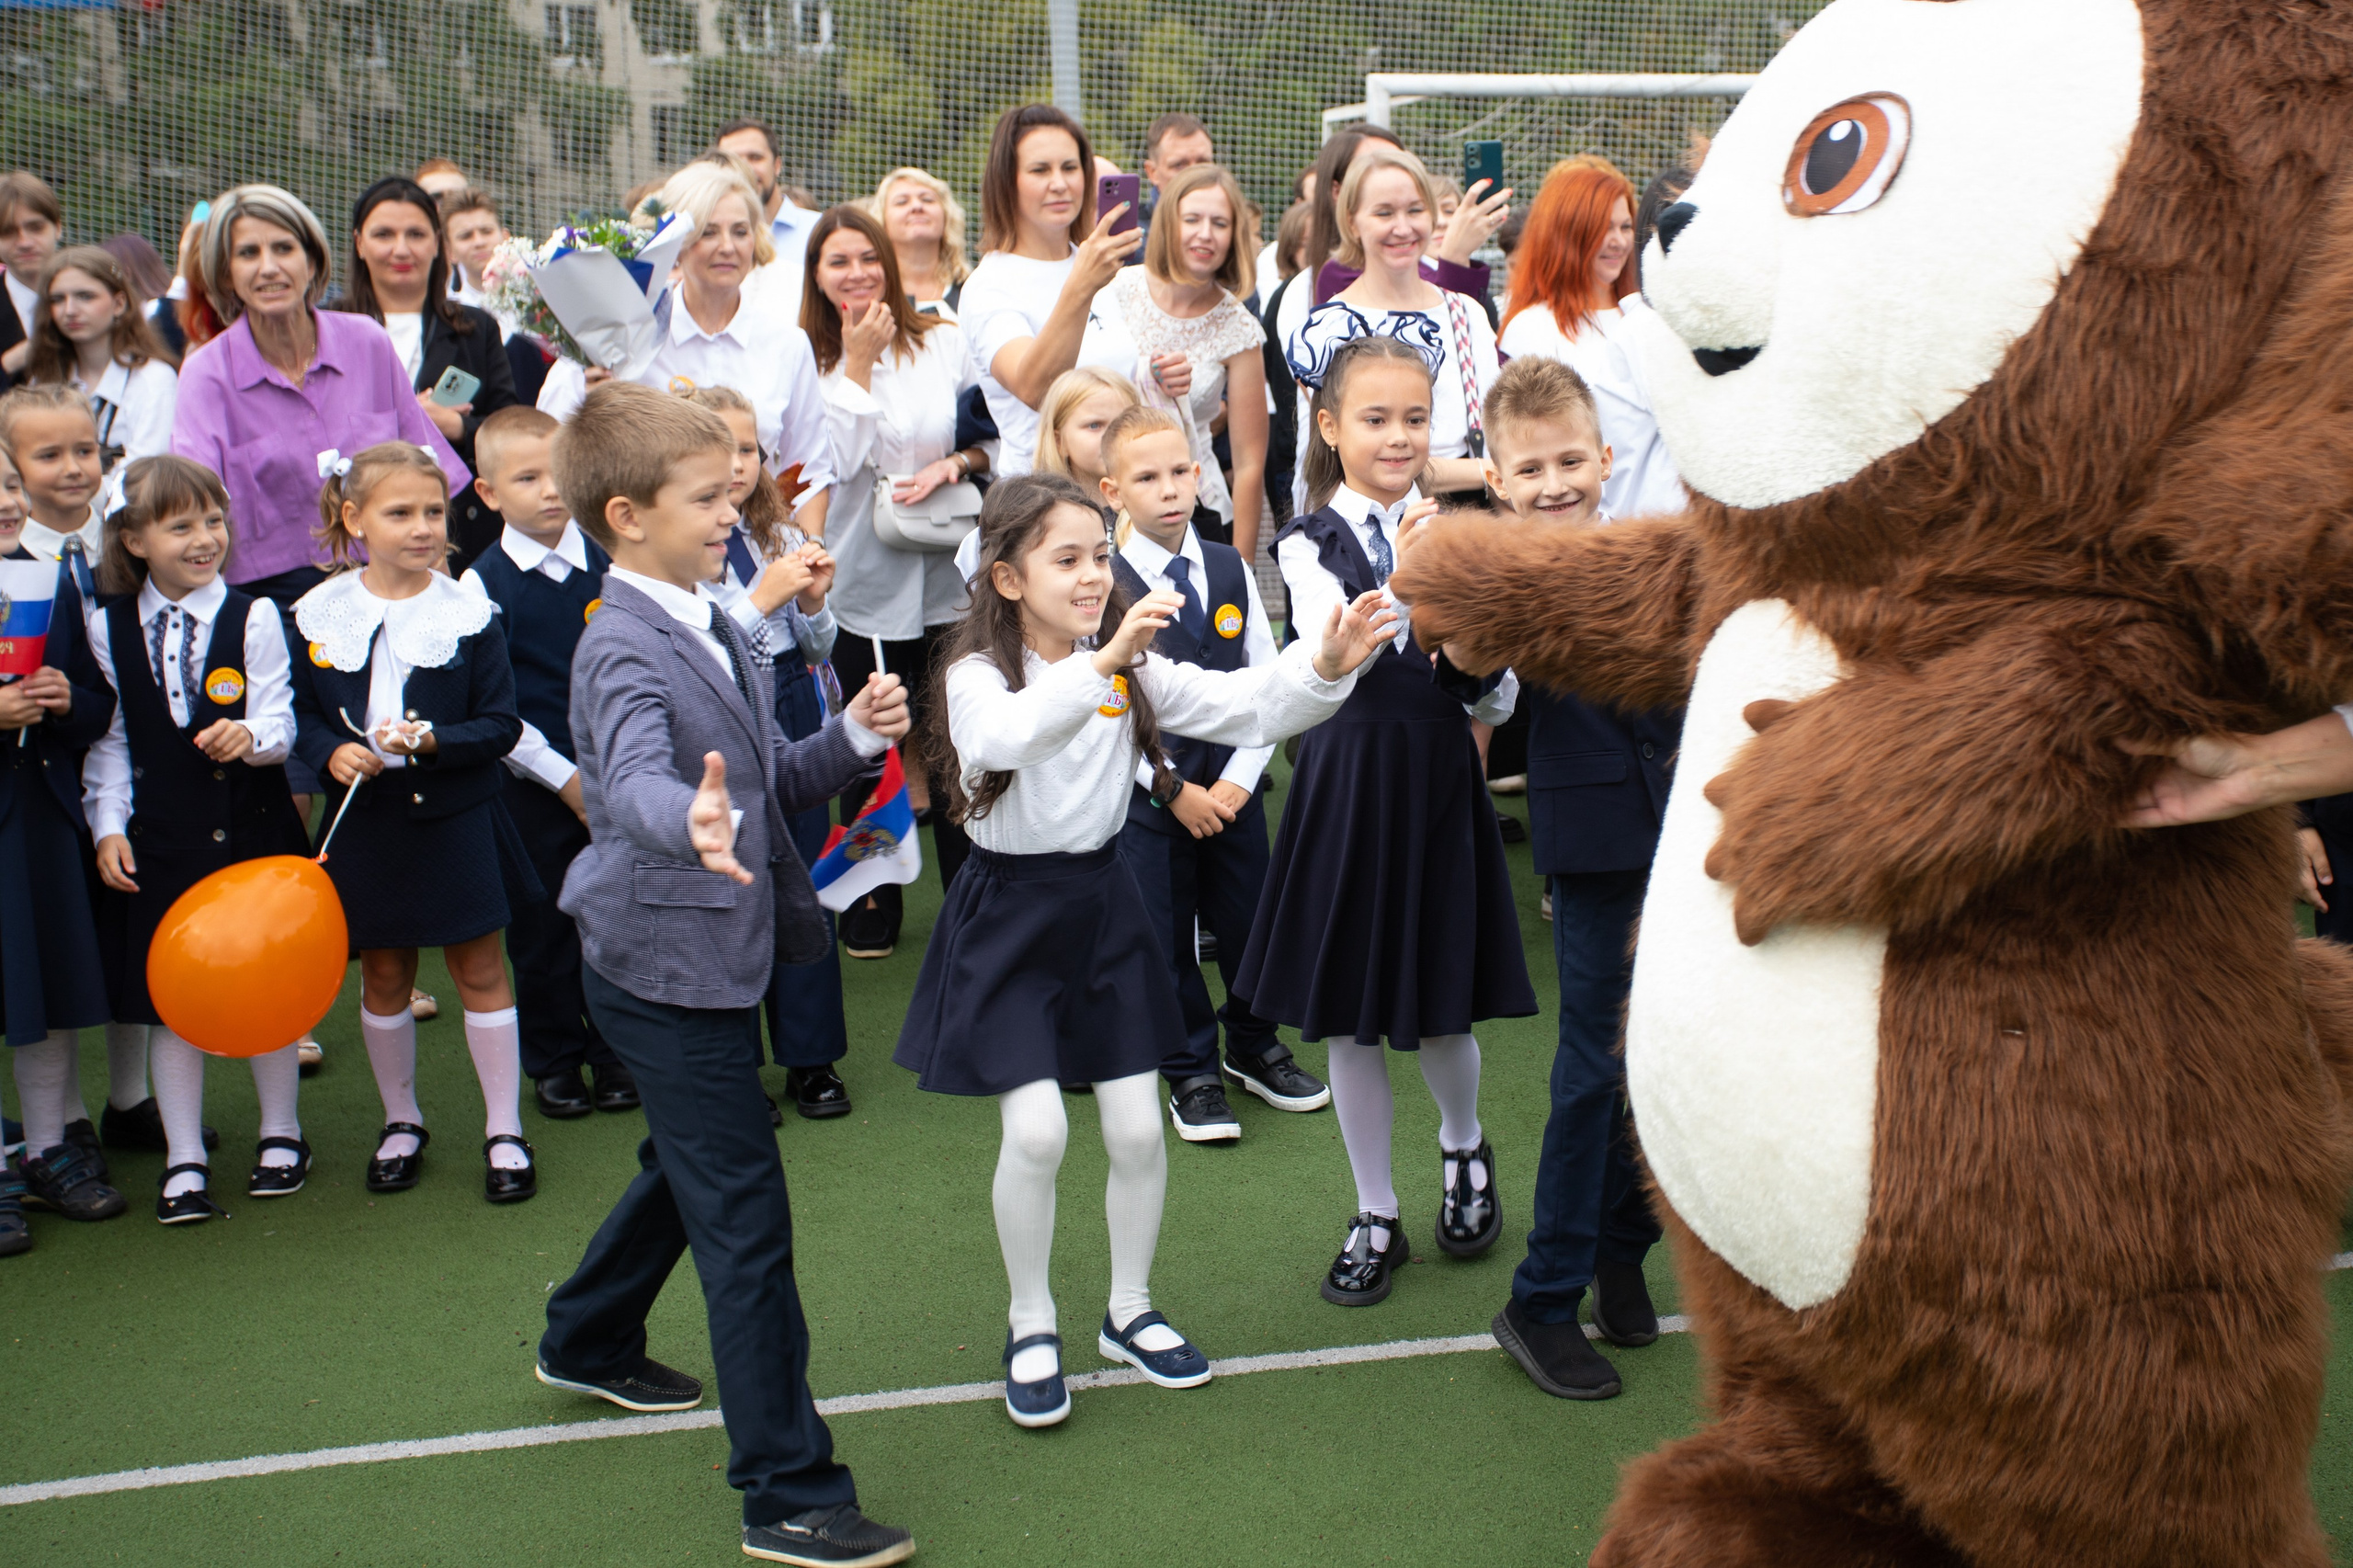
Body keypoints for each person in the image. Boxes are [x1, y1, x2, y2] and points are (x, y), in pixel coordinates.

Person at [895, 472, 1392, 1428]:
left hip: (1104, 905)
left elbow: (1245, 705)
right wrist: (1107, 663)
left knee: (1134, 1131)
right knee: (1036, 1133)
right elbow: (1004, 739)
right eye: (1067, 560)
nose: (1093, 575)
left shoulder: (1124, 664)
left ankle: (1129, 1309)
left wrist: (1325, 665)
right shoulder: (977, 674)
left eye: (1098, 556)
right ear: (1007, 579)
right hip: (1008, 917)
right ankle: (1030, 1320)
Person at [535, 382, 915, 1568]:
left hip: (706, 945)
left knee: (692, 1162)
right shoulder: (619, 643)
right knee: (743, 1221)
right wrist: (683, 819)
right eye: (705, 497)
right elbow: (636, 780)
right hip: (664, 965)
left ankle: (586, 1335)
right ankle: (788, 1493)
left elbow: (762, 774)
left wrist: (851, 738)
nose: (730, 511)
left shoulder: (702, 608)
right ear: (626, 514)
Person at [1237, 334, 1532, 1307]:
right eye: (1375, 418)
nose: (1399, 436)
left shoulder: (1464, 530)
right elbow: (1345, 645)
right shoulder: (1305, 538)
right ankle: (1376, 1211)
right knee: (1349, 1019)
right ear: (1329, 427)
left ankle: (1464, 1146)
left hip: (1437, 780)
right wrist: (1412, 576)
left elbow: (1494, 693)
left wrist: (1481, 661)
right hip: (1346, 784)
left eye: (1416, 418)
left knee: (1442, 1004)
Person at [1451, 358, 1677, 1398]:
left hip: (1684, 835)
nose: (1554, 484)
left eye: (1570, 462)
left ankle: (1621, 1247)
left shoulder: (1655, 551)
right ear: (1496, 479)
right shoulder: (1497, 580)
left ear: (1607, 458)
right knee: (1593, 1068)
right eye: (1530, 469)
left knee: (1670, 1066)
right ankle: (1541, 1299)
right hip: (1593, 852)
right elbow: (1475, 684)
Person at [290, 442, 534, 1203]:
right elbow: (300, 716)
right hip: (367, 822)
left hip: (457, 817)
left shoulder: (469, 611)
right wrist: (331, 753)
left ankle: (504, 1129)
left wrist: (430, 742)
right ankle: (401, 1122)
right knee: (385, 973)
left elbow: (501, 725)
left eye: (434, 511)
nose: (424, 527)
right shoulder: (317, 612)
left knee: (480, 969)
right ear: (354, 517)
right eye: (400, 513)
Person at [85, 456, 313, 1224]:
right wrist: (108, 827)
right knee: (169, 999)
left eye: (213, 520)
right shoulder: (107, 627)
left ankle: (282, 1134)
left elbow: (281, 721)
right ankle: (183, 1156)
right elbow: (113, 743)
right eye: (180, 526)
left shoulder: (254, 616)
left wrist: (250, 735)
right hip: (163, 841)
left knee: (268, 986)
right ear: (135, 540)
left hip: (253, 833)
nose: (205, 538)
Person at [1097, 407, 1330, 1141]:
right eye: (1146, 478)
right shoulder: (1103, 585)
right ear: (1112, 492)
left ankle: (1252, 1044)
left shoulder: (1230, 566)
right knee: (1164, 938)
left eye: (1179, 471)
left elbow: (1267, 680)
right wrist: (1170, 788)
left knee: (1249, 921)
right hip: (1151, 803)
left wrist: (1240, 779)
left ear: (1201, 474)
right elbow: (1106, 707)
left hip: (1233, 794)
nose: (1168, 489)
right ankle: (1189, 1069)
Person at [802, 205, 986, 960]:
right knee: (868, 738)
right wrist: (856, 363)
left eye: (867, 258)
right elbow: (836, 462)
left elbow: (988, 432)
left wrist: (955, 465)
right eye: (838, 262)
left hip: (945, 569)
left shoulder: (943, 339)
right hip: (859, 578)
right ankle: (871, 893)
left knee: (952, 739)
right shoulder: (806, 358)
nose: (857, 274)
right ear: (816, 276)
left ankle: (971, 894)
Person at [678, 382, 860, 1119]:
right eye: (718, 450)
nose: (737, 464)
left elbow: (815, 650)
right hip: (716, 714)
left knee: (804, 878)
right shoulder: (678, 547)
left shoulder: (775, 533)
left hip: (789, 700)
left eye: (748, 449)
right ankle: (735, 1065)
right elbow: (700, 650)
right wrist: (761, 601)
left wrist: (813, 604)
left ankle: (812, 1057)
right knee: (732, 886)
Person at [454, 405, 638, 1123]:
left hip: (623, 771)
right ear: (489, 492)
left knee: (619, 918)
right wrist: (565, 780)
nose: (550, 489)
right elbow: (494, 710)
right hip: (533, 788)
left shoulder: (614, 559)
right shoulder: (480, 586)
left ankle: (617, 1051)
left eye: (558, 471)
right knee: (544, 926)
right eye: (527, 477)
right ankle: (555, 1060)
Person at [171, 184, 469, 612]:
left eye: (284, 248)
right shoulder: (206, 374)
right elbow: (193, 511)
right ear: (225, 274)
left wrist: (442, 605)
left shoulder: (367, 342)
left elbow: (426, 473)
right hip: (270, 606)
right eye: (248, 253)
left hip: (390, 584)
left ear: (311, 261)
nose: (269, 268)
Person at [538, 161, 835, 541]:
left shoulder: (786, 344)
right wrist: (593, 410)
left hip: (758, 558)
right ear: (675, 245)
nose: (727, 246)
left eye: (740, 231)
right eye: (708, 232)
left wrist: (807, 551)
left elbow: (810, 468)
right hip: (648, 554)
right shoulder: (622, 335)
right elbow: (553, 444)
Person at [0, 431, 125, 1242]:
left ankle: (49, 1147)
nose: (8, 502)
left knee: (41, 982)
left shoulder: (43, 580)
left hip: (37, 817)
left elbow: (97, 706)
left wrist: (63, 698)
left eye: (10, 484)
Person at [1287, 145, 1503, 510]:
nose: (1403, 228)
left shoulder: (1466, 312)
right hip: (1374, 518)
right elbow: (1347, 461)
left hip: (1468, 520)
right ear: (1352, 223)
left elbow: (1497, 435)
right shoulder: (1331, 328)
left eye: (1415, 210)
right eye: (1384, 213)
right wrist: (1488, 470)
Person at [329, 176, 520, 573]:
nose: (401, 249)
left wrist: (456, 426)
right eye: (384, 234)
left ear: (437, 244)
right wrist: (405, 416)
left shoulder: (475, 328)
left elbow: (511, 429)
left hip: (458, 535)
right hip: (354, 536)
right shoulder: (327, 328)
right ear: (359, 243)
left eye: (415, 234)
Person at [1078, 165, 1267, 557]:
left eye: (1220, 223)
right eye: (1192, 219)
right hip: (1101, 504)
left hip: (1192, 513)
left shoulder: (1240, 328)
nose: (1206, 233)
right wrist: (1145, 374)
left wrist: (1242, 565)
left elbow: (1249, 463)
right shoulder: (1115, 289)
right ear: (1168, 223)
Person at [1497, 158, 1683, 521]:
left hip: (1664, 521)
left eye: (1625, 227)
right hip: (1576, 525)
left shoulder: (1646, 317)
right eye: (1602, 228)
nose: (1618, 241)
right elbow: (1511, 444)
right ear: (1568, 233)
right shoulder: (1533, 327)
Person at [960, 103, 1140, 477]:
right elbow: (1037, 391)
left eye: (1070, 168)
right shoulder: (989, 285)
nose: (1059, 184)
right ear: (1007, 181)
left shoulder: (1095, 264)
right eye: (1040, 170)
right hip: (1041, 496)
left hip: (1120, 486)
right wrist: (1081, 286)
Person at [25, 247, 180, 470]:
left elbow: (145, 477)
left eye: (85, 296)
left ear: (119, 304)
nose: (69, 310)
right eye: (58, 299)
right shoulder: (43, 379)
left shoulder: (154, 380)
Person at [716, 119, 824, 328]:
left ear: (777, 165)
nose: (746, 169)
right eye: (734, 160)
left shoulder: (819, 230)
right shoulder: (702, 240)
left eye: (755, 157)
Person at [2, 382, 105, 573]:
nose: (73, 469)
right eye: (50, 456)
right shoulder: (6, 560)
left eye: (84, 451)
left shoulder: (131, 543)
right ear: (10, 464)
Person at [1032, 366, 1140, 501]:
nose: (1114, 435)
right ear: (1059, 441)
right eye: (1094, 426)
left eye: (1125, 423)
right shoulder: (1047, 511)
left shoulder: (1155, 500)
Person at [871, 167, 971, 313]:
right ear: (882, 221)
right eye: (902, 202)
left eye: (927, 200)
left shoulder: (974, 290)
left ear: (947, 217)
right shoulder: (870, 294)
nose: (917, 207)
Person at [0, 171, 63, 382]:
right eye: (8, 232)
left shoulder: (97, 297)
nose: (25, 242)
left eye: (36, 228)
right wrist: (8, 364)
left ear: (58, 227)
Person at [1135, 113, 1215, 244]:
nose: (1194, 174)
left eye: (1203, 163)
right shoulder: (1131, 238)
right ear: (1152, 173)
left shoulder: (1236, 227)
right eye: (1179, 165)